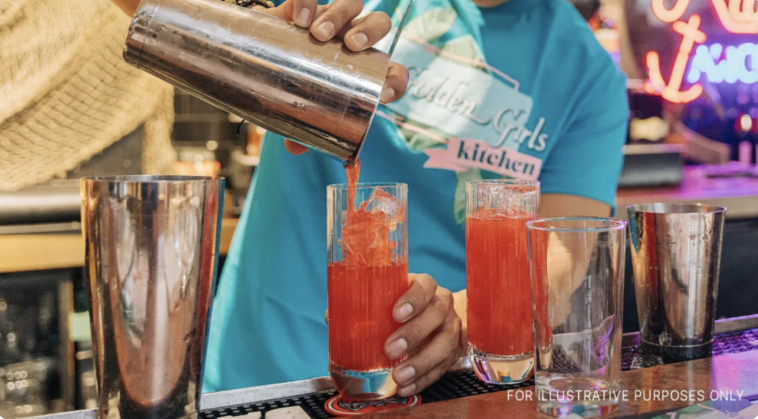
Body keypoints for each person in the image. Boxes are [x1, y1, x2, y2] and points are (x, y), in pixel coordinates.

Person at [113, 0, 629, 397]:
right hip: (258, 373)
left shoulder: (587, 74)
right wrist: (255, 38)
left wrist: (450, 322)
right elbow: (151, 11)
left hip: (419, 389)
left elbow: (559, 260)